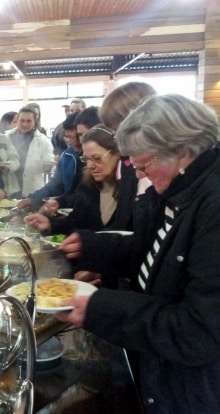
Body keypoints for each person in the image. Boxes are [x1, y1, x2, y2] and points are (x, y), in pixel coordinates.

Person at [59, 95, 220, 413]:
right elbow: (152, 252)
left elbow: (196, 332)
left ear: (182, 150)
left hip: (195, 390)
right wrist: (92, 247)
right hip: (161, 369)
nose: (141, 176)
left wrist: (96, 306)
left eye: (145, 165)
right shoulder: (180, 189)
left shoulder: (213, 206)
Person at [24, 124, 138, 236]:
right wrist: (50, 224)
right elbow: (77, 220)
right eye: (86, 159)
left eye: (97, 158)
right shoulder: (88, 184)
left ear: (117, 153)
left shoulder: (132, 186)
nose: (90, 166)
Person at [38, 106, 102, 214]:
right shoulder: (68, 155)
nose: (78, 141)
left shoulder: (106, 161)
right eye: (67, 137)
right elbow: (60, 186)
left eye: (81, 135)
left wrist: (60, 202)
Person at [22, 111, 82, 210]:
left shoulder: (93, 159)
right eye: (67, 137)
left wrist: (58, 202)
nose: (70, 141)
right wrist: (32, 199)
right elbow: (56, 184)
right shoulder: (67, 155)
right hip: (68, 211)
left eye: (74, 137)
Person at [6, 105, 54, 196]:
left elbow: (48, 166)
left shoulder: (43, 141)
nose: (25, 124)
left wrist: (51, 163)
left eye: (29, 121)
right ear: (17, 120)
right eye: (22, 121)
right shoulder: (7, 137)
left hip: (32, 190)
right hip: (10, 189)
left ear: (35, 122)